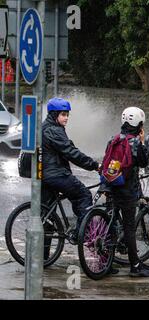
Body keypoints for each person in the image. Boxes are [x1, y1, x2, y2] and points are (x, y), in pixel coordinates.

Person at [42, 97, 99, 243]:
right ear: (54, 115)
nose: (66, 118)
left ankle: (42, 257)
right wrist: (94, 165)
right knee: (83, 195)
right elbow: (71, 153)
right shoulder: (54, 130)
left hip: (44, 175)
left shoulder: (45, 127)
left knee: (47, 215)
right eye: (63, 114)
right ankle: (81, 234)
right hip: (56, 174)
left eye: (67, 114)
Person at [106, 107, 149, 277]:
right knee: (129, 228)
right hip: (127, 190)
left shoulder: (114, 139)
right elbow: (143, 163)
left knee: (110, 223)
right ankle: (135, 265)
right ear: (139, 125)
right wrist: (142, 142)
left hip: (111, 186)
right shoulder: (134, 142)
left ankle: (106, 263)